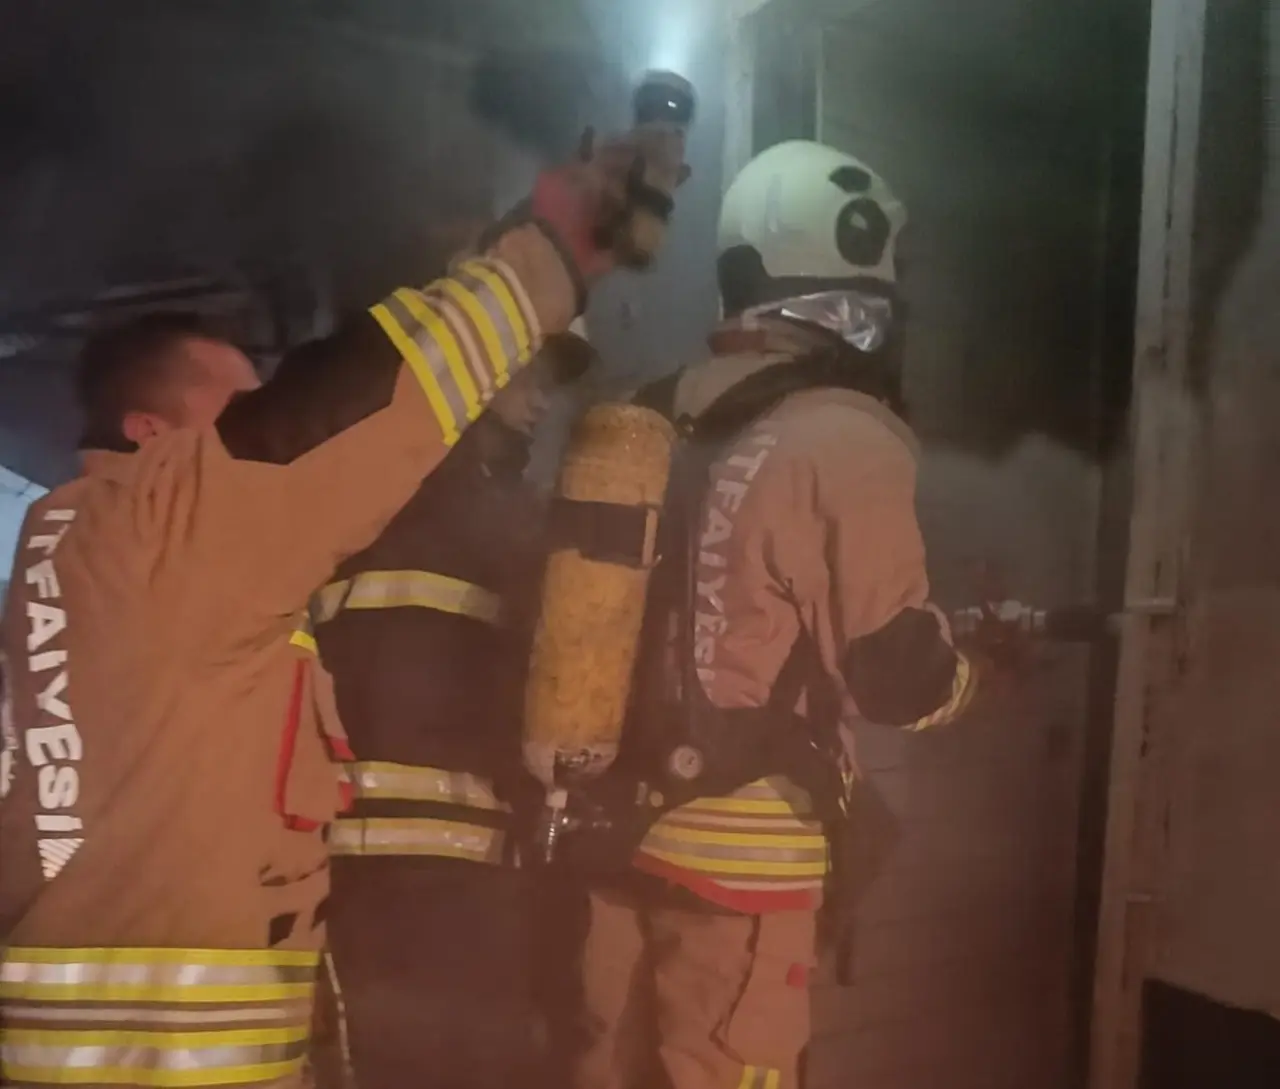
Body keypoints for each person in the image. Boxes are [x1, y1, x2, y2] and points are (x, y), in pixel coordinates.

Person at [0, 127, 686, 1089]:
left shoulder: (69, 550)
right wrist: (549, 253)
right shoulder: (168, 527)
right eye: (231, 422)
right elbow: (358, 402)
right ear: (149, 434)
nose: (250, 443)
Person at [570, 140, 989, 1089]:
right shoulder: (842, 434)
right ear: (852, 289)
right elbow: (896, 674)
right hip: (744, 862)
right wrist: (976, 675)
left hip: (611, 834)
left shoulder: (645, 415)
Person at [307, 332, 593, 1089]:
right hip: (456, 871)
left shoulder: (353, 500)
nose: (540, 402)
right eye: (526, 377)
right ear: (466, 374)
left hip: (347, 866)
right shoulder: (496, 518)